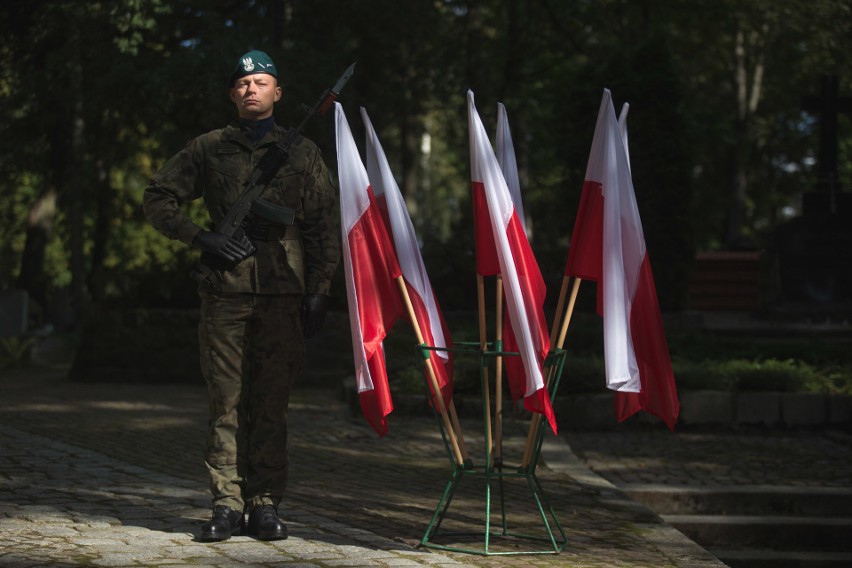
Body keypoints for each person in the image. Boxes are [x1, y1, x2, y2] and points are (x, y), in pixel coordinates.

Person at [143, 49, 340, 542]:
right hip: (225, 292)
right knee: (225, 401)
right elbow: (157, 197)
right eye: (243, 83)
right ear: (233, 94)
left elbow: (322, 227)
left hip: (283, 292)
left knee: (271, 401)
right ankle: (226, 504)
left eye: (261, 81)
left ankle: (266, 503)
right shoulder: (209, 148)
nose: (251, 88)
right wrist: (200, 237)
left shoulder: (303, 153)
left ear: (278, 92)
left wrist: (320, 291)